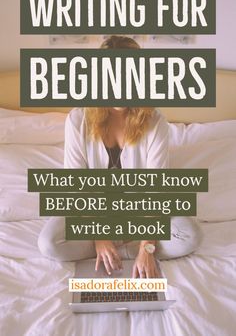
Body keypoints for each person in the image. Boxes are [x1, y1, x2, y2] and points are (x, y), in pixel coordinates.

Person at [38, 36, 202, 278]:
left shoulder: (156, 122)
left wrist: (146, 247)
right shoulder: (77, 119)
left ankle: (128, 249)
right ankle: (112, 247)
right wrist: (99, 236)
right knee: (49, 243)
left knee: (190, 235)